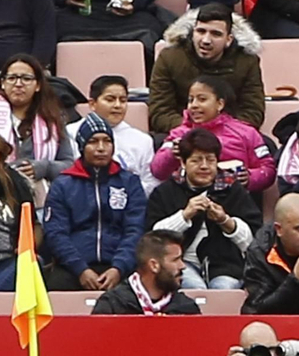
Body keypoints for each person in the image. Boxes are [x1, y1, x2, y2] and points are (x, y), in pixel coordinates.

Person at [146, 126, 260, 290]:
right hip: (181, 263)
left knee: (225, 290)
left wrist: (225, 221)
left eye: (210, 160)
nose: (204, 166)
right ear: (183, 163)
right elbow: (153, 238)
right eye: (196, 160)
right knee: (195, 290)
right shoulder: (166, 192)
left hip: (225, 264)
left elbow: (252, 242)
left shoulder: (233, 190)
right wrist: (185, 216)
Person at [43, 113, 148, 292]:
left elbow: (135, 230)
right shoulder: (63, 184)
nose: (101, 148)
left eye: (107, 141)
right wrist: (81, 269)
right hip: (73, 268)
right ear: (82, 146)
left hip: (120, 267)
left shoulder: (130, 182)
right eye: (93, 142)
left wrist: (118, 268)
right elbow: (56, 233)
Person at [148, 4, 265, 133]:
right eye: (201, 31)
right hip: (182, 132)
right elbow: (160, 111)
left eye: (216, 34)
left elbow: (253, 112)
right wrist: (193, 132)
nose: (206, 40)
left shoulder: (247, 62)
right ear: (193, 32)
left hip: (232, 134)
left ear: (228, 40)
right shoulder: (169, 58)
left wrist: (222, 132)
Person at [152, 75, 276, 194]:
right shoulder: (178, 134)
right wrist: (171, 155)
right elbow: (157, 171)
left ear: (220, 104)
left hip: (235, 201)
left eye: (202, 99)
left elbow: (268, 169)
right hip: (185, 201)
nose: (194, 105)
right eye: (190, 100)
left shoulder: (247, 133)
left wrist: (250, 177)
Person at [0, 53, 68, 189]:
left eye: (26, 78)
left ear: (38, 85)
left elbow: (69, 163)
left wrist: (44, 167)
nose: (18, 84)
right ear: (2, 83)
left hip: (41, 197)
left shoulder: (53, 119)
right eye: (12, 78)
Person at [73, 74, 158, 193]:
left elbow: (150, 183)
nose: (118, 105)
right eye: (110, 99)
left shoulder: (142, 140)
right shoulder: (71, 133)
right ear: (92, 104)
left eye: (123, 100)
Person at [91, 228, 199, 314]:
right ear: (154, 265)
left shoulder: (186, 308)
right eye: (175, 260)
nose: (183, 266)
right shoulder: (113, 305)